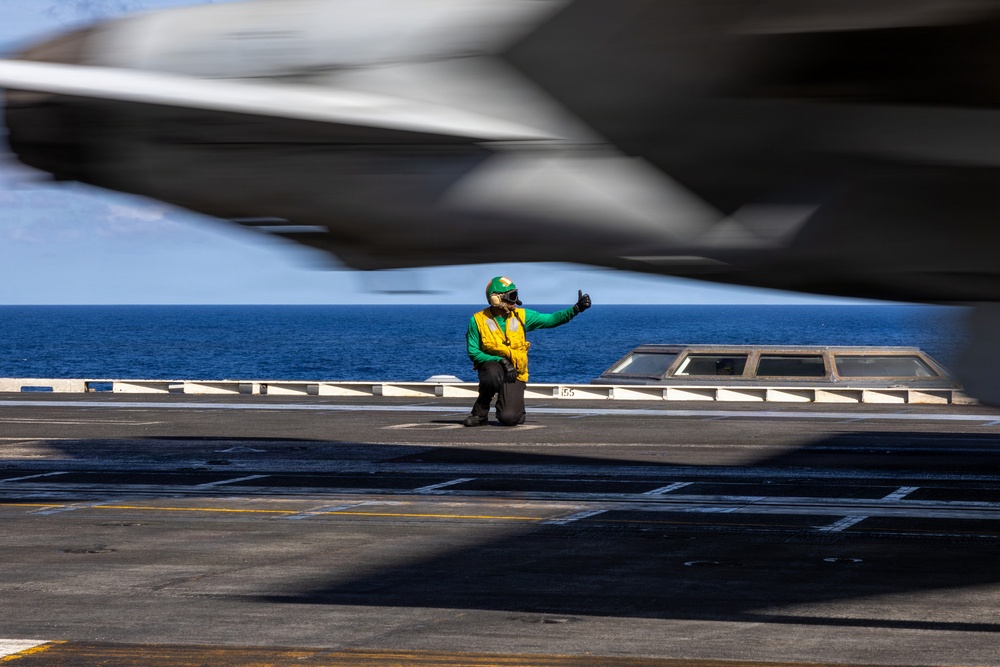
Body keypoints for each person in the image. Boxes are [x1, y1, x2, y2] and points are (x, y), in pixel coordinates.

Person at [463, 276, 591, 427]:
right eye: (512, 296)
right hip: (493, 367)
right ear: (496, 299)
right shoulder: (478, 320)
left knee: (509, 419)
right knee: (491, 373)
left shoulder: (522, 316)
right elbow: (473, 352)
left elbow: (550, 319)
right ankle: (480, 414)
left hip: (515, 371)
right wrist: (501, 360)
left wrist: (576, 309)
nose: (515, 301)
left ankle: (514, 409)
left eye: (515, 295)